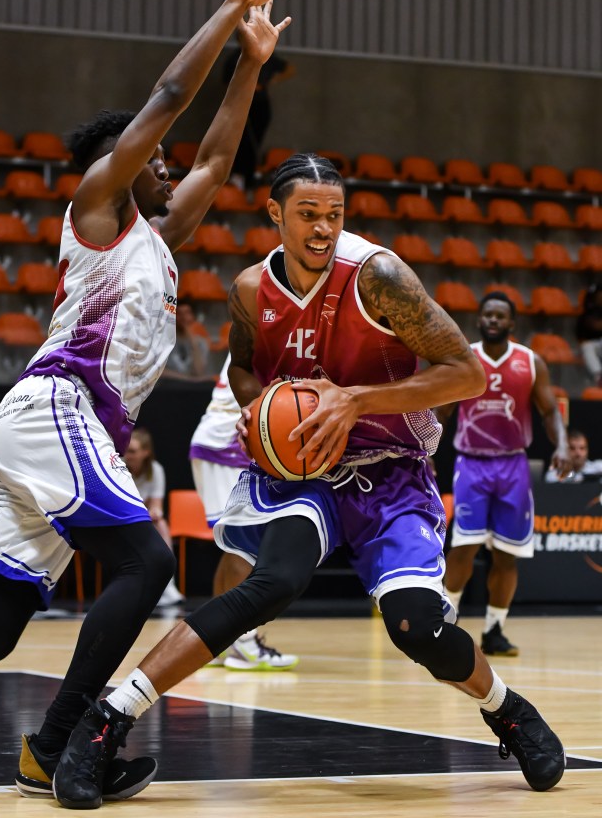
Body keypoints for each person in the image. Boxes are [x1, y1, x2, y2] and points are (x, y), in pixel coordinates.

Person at [54, 155, 565, 809]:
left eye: (334, 214)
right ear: (275, 214)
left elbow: (464, 374)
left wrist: (353, 400)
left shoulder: (378, 276)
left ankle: (508, 711)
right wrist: (257, 410)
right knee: (270, 585)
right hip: (306, 474)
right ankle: (107, 721)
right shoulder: (251, 290)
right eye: (308, 214)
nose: (324, 228)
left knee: (416, 627)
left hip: (389, 470)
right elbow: (244, 369)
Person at [0, 0, 296, 804]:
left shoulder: (158, 237)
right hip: (54, 410)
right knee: (147, 563)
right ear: (122, 162)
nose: (170, 169)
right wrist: (235, 3)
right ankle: (65, 745)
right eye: (157, 161)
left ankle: (46, 755)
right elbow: (171, 94)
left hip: (68, 432)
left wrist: (251, 64)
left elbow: (217, 156)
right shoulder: (99, 206)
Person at [435, 291, 571, 658]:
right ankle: (445, 625)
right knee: (464, 546)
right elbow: (442, 411)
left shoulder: (531, 361)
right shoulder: (465, 357)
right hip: (472, 464)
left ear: (512, 322)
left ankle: (494, 631)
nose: (493, 320)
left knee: (507, 555)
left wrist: (561, 444)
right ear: (479, 320)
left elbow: (549, 411)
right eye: (488, 315)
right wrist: (425, 451)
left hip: (513, 466)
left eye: (500, 316)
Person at [189, 353, 298, 669]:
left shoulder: (254, 332)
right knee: (246, 544)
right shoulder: (274, 335)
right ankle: (244, 642)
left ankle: (217, 639)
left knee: (233, 548)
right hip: (227, 445)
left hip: (215, 443)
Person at [223, 36, 295, 189]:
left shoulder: (264, 55)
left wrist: (271, 80)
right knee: (242, 141)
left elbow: (289, 69)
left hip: (260, 104)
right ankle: (238, 174)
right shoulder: (234, 59)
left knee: (255, 141)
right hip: (241, 103)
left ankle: (248, 177)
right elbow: (226, 83)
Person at [123, 428, 184, 607]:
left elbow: (157, 507)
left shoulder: (156, 470)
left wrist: (154, 513)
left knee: (161, 525)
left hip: (142, 520)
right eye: (126, 451)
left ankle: (168, 585)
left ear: (146, 452)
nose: (127, 455)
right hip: (122, 520)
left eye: (132, 451)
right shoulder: (118, 467)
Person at [158, 300, 212, 383]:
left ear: (193, 316)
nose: (183, 317)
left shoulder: (201, 343)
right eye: (179, 313)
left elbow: (199, 372)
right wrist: (188, 379)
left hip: (192, 388)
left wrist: (193, 343)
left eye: (187, 313)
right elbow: (159, 372)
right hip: (168, 386)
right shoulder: (163, 341)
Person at [575, 284, 602, 385]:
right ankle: (599, 377)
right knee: (587, 346)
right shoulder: (587, 313)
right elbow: (581, 336)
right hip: (592, 346)